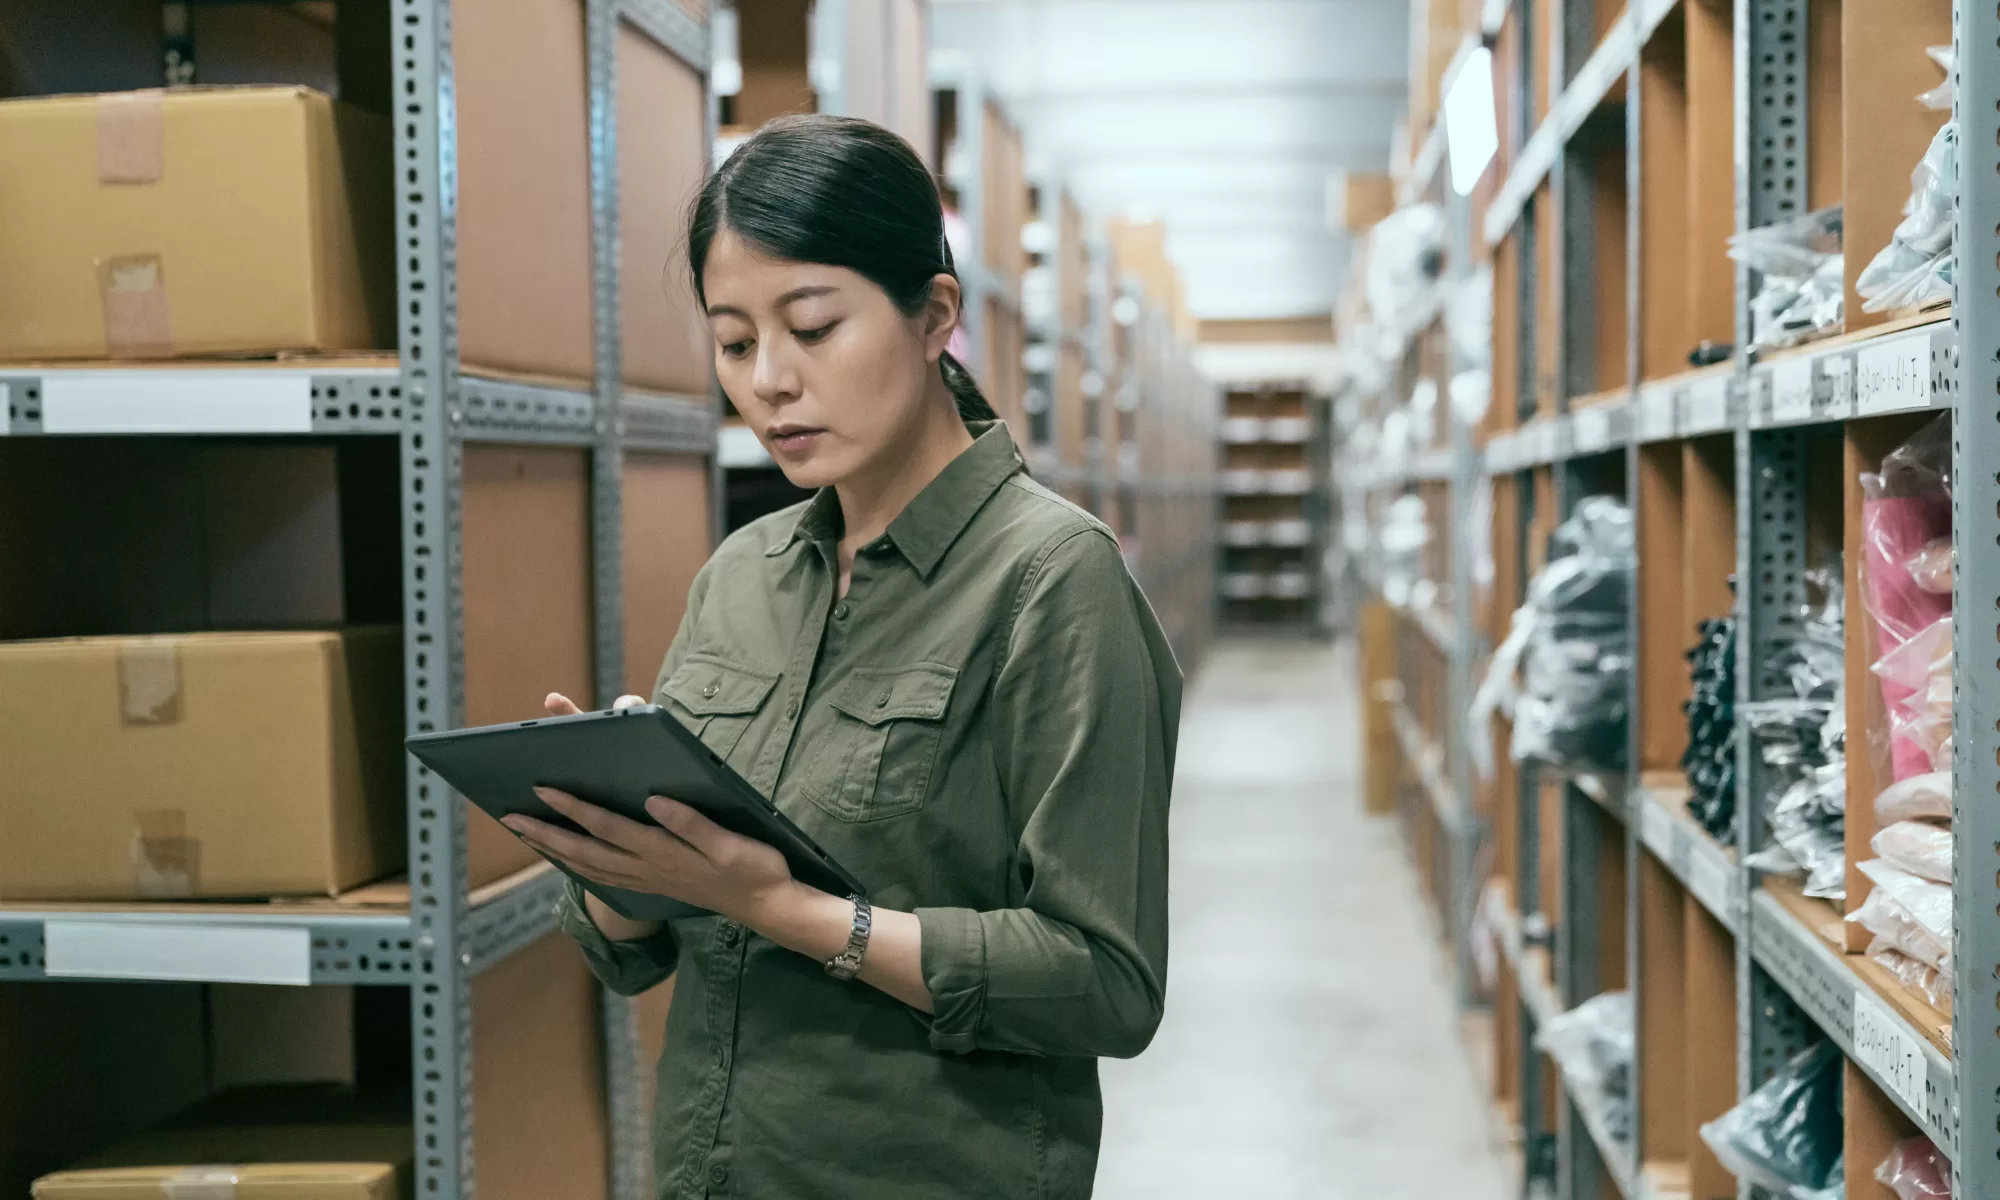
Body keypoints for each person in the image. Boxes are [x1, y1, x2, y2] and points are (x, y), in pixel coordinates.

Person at [504, 113, 1180, 1200]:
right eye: (733, 343)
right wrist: (626, 857)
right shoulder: (743, 575)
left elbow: (1103, 984)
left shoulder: (1053, 579)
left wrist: (781, 908)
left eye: (812, 328)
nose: (769, 379)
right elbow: (629, 950)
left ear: (934, 316)